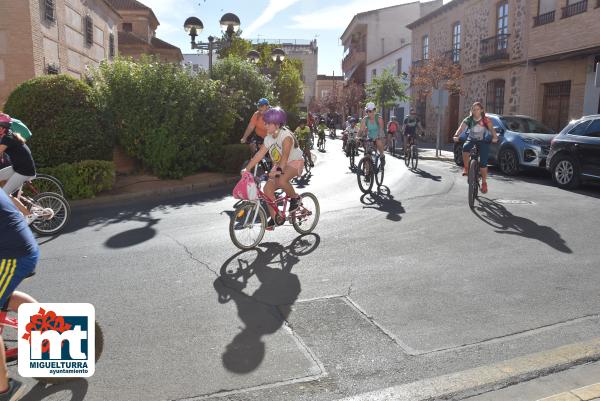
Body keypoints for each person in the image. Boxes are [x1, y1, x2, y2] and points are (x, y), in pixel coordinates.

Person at [0, 188, 40, 401]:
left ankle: (5, 390)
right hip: (16, 248)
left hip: (13, 256)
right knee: (5, 296)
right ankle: (44, 324)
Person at [242, 107, 304, 230]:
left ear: (276, 124)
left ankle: (295, 198)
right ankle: (275, 216)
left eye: (267, 123)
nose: (265, 125)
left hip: (294, 162)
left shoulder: (286, 136)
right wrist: (247, 168)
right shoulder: (269, 137)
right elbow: (259, 154)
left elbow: (285, 157)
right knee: (267, 189)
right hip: (279, 165)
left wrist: (278, 171)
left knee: (281, 180)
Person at [0, 113, 50, 225]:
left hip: (24, 170)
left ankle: (28, 215)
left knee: (4, 195)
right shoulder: (7, 135)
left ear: (3, 127)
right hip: (18, 167)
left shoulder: (7, 138)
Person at [452, 102, 498, 194]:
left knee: (483, 163)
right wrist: (456, 135)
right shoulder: (468, 119)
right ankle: (466, 167)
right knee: (465, 147)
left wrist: (495, 137)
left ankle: (484, 182)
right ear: (471, 111)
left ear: (481, 110)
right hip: (471, 139)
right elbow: (461, 128)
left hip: (483, 141)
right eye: (473, 109)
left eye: (477, 109)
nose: (475, 111)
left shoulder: (485, 120)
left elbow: (492, 130)